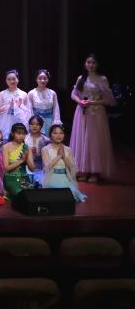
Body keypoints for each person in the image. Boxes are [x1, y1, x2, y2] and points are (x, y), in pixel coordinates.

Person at [70, 54, 115, 182]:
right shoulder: (81, 78)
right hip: (81, 112)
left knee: (93, 140)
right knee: (81, 139)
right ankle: (82, 170)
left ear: (98, 64)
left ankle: (95, 171)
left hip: (96, 113)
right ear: (85, 64)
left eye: (93, 62)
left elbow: (108, 99)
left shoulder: (102, 79)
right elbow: (74, 94)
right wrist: (79, 101)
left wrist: (92, 103)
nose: (91, 65)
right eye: (88, 62)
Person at [42, 123, 87, 203]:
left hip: (65, 177)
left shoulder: (68, 149)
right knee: (57, 192)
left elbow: (72, 167)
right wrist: (58, 156)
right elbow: (47, 167)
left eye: (61, 133)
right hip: (52, 177)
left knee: (72, 192)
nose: (58, 135)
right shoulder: (45, 149)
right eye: (55, 133)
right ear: (50, 135)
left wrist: (64, 157)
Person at [2, 122, 39, 200]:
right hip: (10, 178)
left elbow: (32, 169)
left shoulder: (26, 148)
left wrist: (28, 158)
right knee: (21, 195)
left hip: (24, 178)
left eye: (23, 134)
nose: (21, 136)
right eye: (18, 133)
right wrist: (21, 160)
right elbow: (6, 168)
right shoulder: (6, 147)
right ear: (12, 133)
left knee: (32, 196)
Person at [0, 70, 31, 138]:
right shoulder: (2, 94)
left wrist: (20, 106)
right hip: (6, 122)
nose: (11, 81)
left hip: (20, 121)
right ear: (6, 80)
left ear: (18, 79)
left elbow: (28, 111)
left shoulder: (23, 94)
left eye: (14, 79)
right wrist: (8, 106)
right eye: (9, 79)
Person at [28, 70, 61, 137]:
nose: (42, 80)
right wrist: (32, 123)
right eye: (40, 78)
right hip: (36, 122)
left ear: (48, 79)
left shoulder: (52, 93)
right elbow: (29, 110)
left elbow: (56, 109)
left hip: (49, 121)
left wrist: (55, 121)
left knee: (49, 140)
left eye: (45, 78)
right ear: (36, 79)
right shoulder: (31, 93)